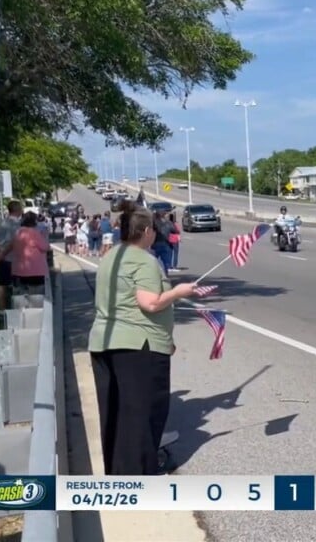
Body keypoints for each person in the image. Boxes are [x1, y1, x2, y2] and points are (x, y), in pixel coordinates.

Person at [87, 201, 200, 475]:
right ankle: (141, 472)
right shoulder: (144, 260)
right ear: (147, 230)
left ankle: (120, 471)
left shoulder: (112, 255)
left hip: (106, 341)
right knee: (143, 413)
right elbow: (150, 303)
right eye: (154, 230)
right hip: (139, 346)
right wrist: (179, 292)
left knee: (116, 411)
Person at [5, 212, 50, 293]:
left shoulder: (17, 233)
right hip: (35, 271)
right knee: (36, 298)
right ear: (34, 221)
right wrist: (44, 236)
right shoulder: (35, 233)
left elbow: (10, 246)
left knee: (21, 296)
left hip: (18, 270)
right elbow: (45, 247)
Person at [0, 200, 23, 311]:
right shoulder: (18, 225)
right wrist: (3, 254)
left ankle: (2, 309)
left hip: (2, 258)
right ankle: (17, 308)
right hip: (13, 259)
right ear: (18, 210)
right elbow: (13, 243)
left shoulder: (1, 223)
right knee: (16, 285)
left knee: (2, 284)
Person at [151, 210, 175, 275]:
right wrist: (171, 220)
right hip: (164, 243)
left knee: (153, 260)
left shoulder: (153, 222)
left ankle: (155, 273)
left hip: (155, 244)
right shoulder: (167, 222)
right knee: (165, 262)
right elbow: (174, 230)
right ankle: (165, 275)